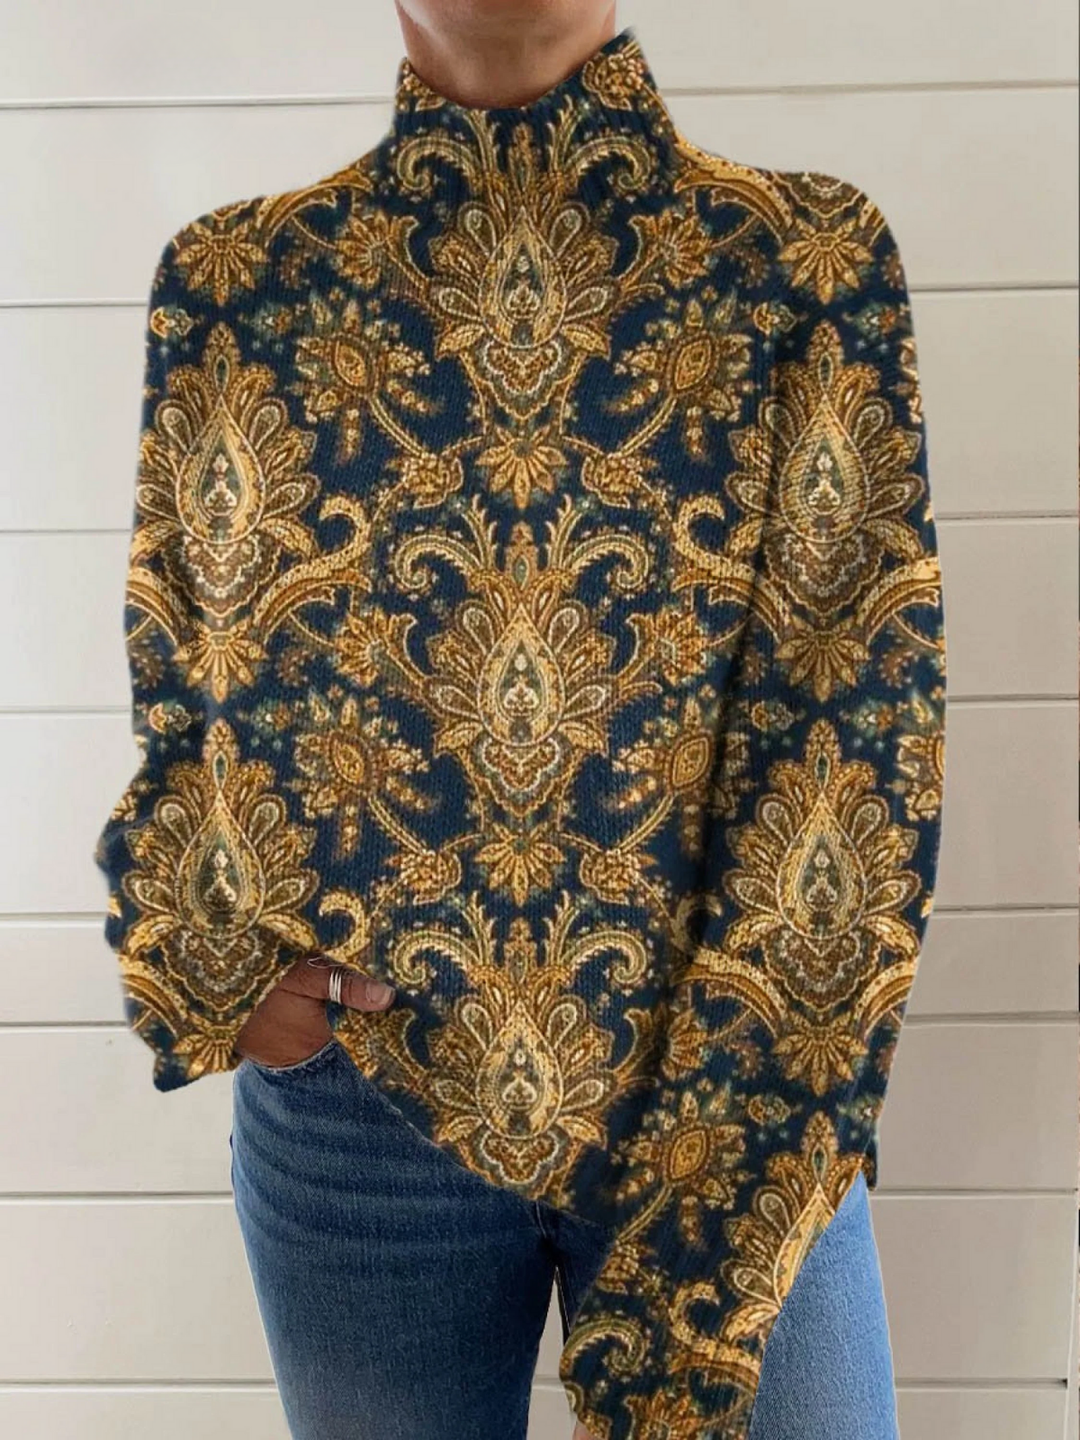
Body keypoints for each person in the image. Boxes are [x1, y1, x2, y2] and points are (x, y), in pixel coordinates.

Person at [95, 3, 946, 1437]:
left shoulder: (801, 261)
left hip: (733, 1082)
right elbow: (189, 695)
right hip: (364, 1109)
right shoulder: (240, 284)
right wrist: (210, 952)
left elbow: (863, 723)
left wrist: (747, 1122)